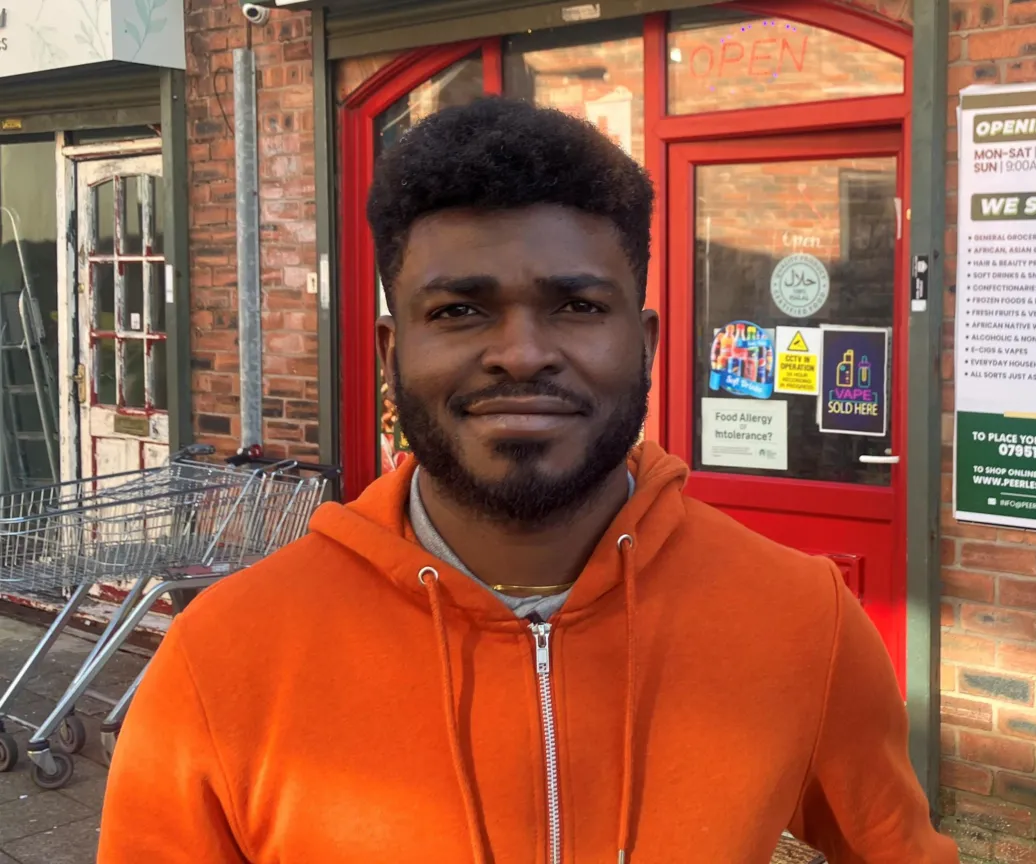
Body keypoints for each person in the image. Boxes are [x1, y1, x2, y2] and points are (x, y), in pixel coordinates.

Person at [98, 98, 958, 864]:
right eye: (460, 310)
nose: (521, 352)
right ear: (393, 355)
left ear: (648, 344)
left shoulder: (800, 619)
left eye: (577, 306)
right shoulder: (223, 660)